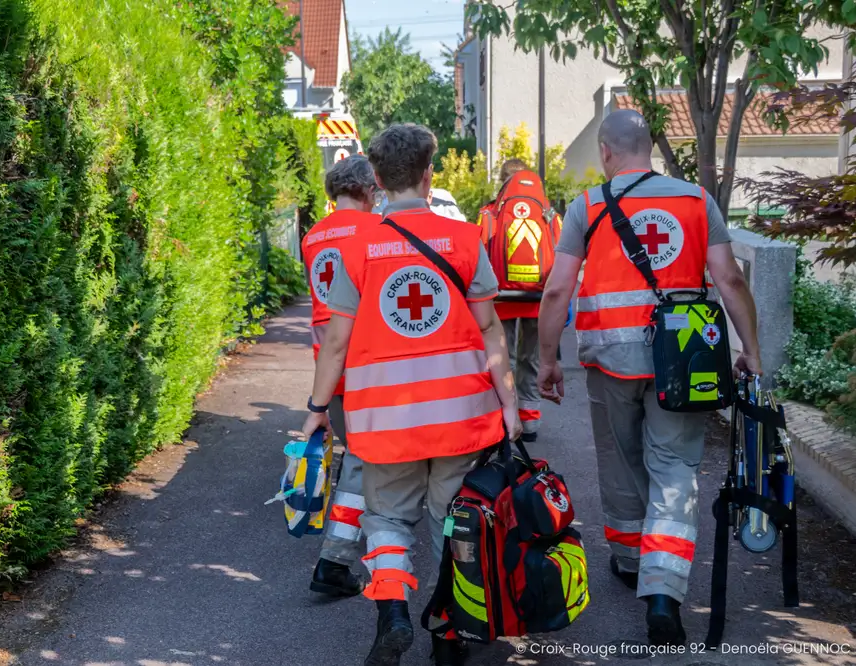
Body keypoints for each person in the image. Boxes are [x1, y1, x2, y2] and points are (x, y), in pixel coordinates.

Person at [535, 110, 762, 646]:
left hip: (610, 357)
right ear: (650, 147)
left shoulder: (587, 205)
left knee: (621, 459)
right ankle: (663, 593)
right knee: (676, 468)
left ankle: (632, 561)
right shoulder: (694, 200)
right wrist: (750, 350)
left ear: (607, 153)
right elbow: (728, 278)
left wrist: (546, 360)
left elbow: (556, 291)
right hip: (683, 356)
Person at [302, 123, 521, 666]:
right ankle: (449, 633)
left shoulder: (357, 248)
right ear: (429, 174)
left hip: (383, 423)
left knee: (387, 519)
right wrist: (511, 404)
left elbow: (335, 343)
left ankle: (394, 612)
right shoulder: (468, 240)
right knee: (453, 521)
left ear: (376, 177)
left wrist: (316, 410)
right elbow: (492, 330)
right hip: (459, 420)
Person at [301, 155, 381, 598]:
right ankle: (337, 557)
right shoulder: (376, 231)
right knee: (362, 462)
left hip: (328, 368)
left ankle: (348, 545)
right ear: (369, 189)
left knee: (357, 455)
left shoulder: (313, 236)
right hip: (368, 364)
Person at [478, 158, 547, 441]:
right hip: (537, 297)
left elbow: (480, 254)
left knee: (502, 358)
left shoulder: (490, 213)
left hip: (501, 299)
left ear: (503, 182)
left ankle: (504, 417)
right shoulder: (547, 212)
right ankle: (529, 420)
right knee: (532, 358)